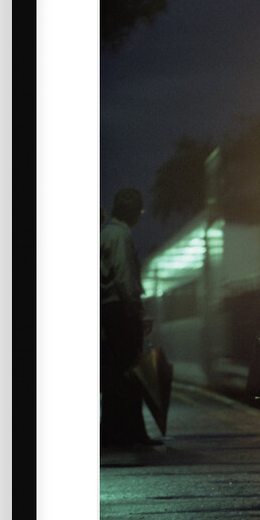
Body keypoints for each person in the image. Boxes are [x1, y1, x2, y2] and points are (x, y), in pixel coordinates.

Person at [100, 188, 160, 448]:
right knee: (131, 373)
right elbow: (125, 281)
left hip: (109, 312)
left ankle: (114, 433)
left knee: (114, 377)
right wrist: (139, 313)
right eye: (141, 210)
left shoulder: (106, 233)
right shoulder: (121, 235)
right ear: (134, 211)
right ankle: (133, 434)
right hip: (120, 312)